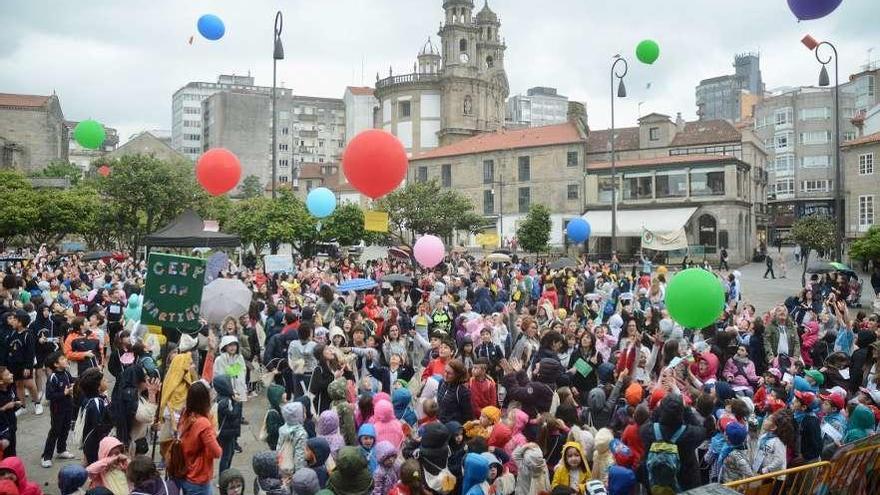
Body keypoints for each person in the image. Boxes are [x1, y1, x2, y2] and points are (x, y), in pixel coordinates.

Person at [174, 381, 222, 495]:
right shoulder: (203, 423)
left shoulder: (185, 414)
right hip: (198, 477)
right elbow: (217, 452)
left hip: (184, 471)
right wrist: (213, 436)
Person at [41, 351, 76, 467]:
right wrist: (64, 393)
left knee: (65, 429)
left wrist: (73, 386)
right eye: (62, 359)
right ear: (56, 364)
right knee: (55, 431)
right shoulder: (53, 377)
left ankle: (61, 450)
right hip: (57, 410)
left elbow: (71, 383)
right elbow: (49, 396)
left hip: (68, 406)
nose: (66, 360)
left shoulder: (66, 373)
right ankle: (46, 456)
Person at [214, 375, 243, 474]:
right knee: (226, 455)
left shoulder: (223, 398)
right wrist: (238, 403)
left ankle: (226, 473)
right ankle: (223, 476)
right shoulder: (224, 402)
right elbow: (233, 415)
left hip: (229, 431)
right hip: (226, 433)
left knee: (230, 453)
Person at [0, 367, 21, 458]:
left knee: (12, 453)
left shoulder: (11, 387)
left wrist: (17, 404)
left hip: (12, 426)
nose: (11, 375)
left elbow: (15, 399)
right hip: (2, 431)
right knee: (4, 455)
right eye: (7, 374)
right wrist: (5, 407)